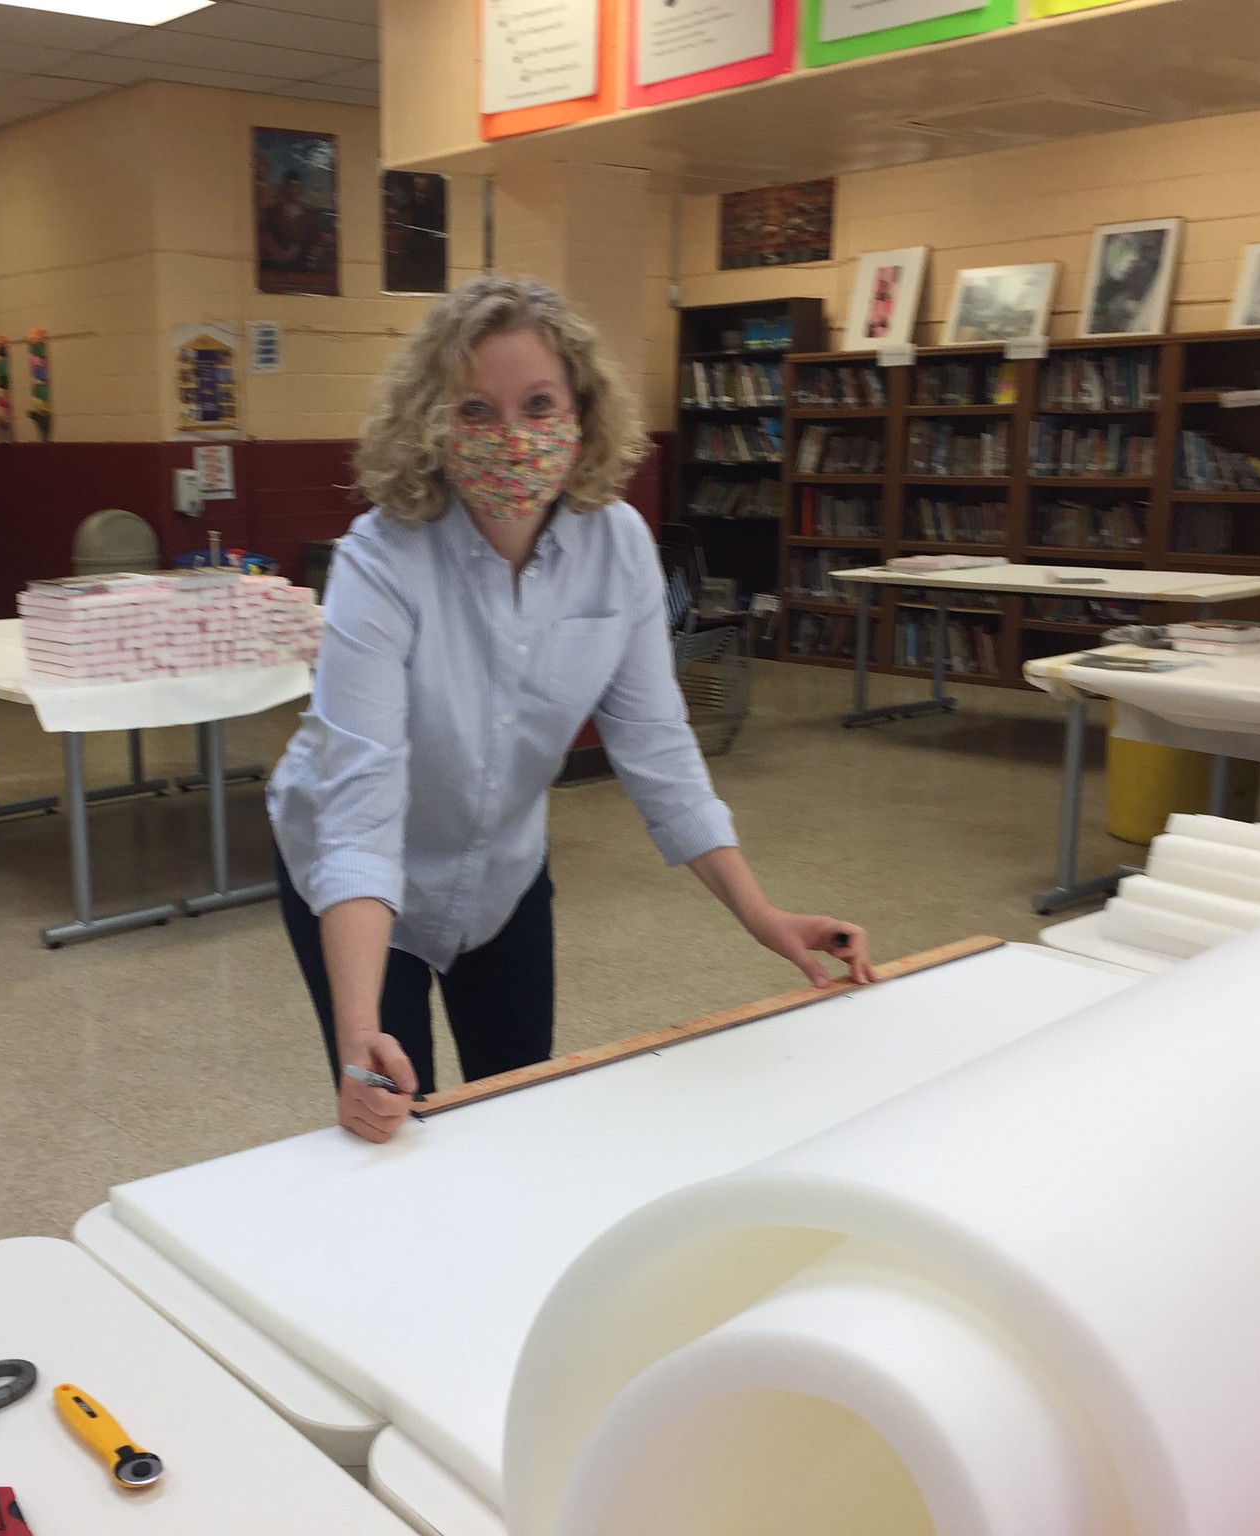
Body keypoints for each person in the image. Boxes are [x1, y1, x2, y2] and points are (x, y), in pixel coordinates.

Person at [267, 277, 875, 1144]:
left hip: (501, 873)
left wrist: (760, 912)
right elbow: (360, 808)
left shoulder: (619, 544)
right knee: (401, 1125)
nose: (511, 437)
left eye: (538, 404)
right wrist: (357, 1032)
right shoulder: (380, 559)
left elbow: (657, 748)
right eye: (476, 410)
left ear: (580, 414)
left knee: (521, 1110)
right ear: (433, 426)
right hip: (361, 882)